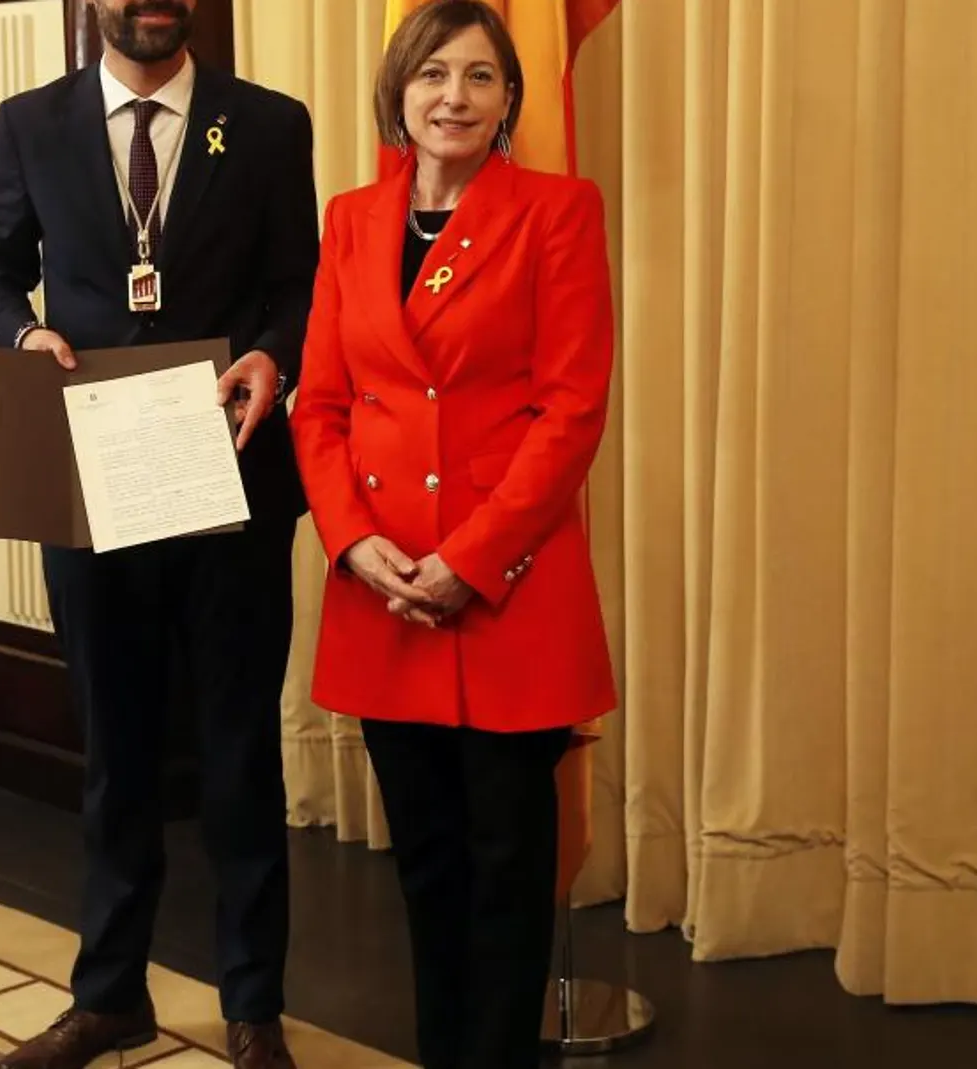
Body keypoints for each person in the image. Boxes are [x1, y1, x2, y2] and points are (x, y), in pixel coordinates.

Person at [0, 1, 317, 1066]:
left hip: (231, 468)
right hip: (95, 477)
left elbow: (299, 283)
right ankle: (110, 991)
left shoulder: (267, 123)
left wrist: (274, 355)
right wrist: (20, 332)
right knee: (114, 749)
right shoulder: (30, 123)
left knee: (238, 749)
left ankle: (253, 1004)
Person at [289, 3, 617, 1066]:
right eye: (433, 74)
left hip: (504, 591)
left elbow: (572, 411)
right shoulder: (349, 219)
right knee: (426, 867)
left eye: (480, 78)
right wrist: (348, 540)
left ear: (509, 101)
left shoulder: (557, 211)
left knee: (508, 876)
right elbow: (321, 406)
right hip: (382, 589)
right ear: (400, 91)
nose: (454, 98)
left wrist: (468, 560)